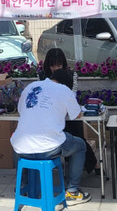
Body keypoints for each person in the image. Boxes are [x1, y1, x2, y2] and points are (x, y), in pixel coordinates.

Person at [11, 67, 91, 206]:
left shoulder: (31, 86)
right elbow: (76, 115)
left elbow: (21, 110)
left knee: (21, 144)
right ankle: (72, 191)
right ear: (67, 84)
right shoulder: (65, 90)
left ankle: (22, 188)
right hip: (48, 147)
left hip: (20, 147)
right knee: (80, 145)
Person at [40, 48, 101, 176]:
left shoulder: (71, 75)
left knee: (78, 137)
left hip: (68, 112)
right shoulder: (42, 76)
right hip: (51, 115)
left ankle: (93, 163)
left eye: (59, 65)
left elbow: (72, 95)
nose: (56, 69)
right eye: (52, 65)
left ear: (63, 64)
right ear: (47, 65)